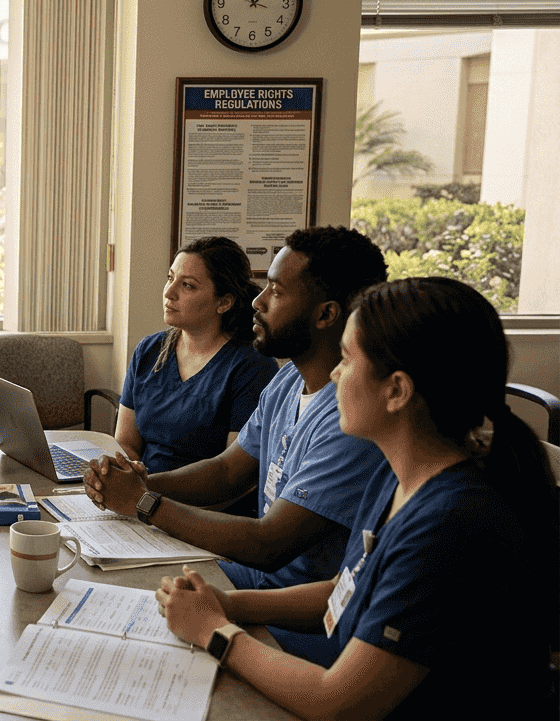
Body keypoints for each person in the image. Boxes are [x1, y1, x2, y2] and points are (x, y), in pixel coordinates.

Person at [155, 277, 557, 718]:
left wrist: (215, 632)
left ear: (396, 390)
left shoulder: (449, 523)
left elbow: (340, 704)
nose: (334, 374)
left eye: (346, 360)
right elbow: (344, 590)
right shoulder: (396, 473)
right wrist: (229, 604)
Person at [85, 226, 389, 666]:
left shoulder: (351, 419)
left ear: (325, 314)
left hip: (295, 607)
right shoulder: (288, 381)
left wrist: (145, 502)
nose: (257, 302)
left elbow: (270, 543)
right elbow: (227, 470)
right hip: (255, 579)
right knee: (116, 594)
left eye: (276, 292)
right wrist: (139, 483)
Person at [116, 236, 278, 476]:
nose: (169, 292)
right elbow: (125, 443)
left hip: (201, 497)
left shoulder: (252, 366)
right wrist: (126, 478)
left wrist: (148, 490)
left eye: (187, 285)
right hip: (141, 490)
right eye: (170, 278)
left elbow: (232, 474)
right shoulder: (148, 351)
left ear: (224, 302)